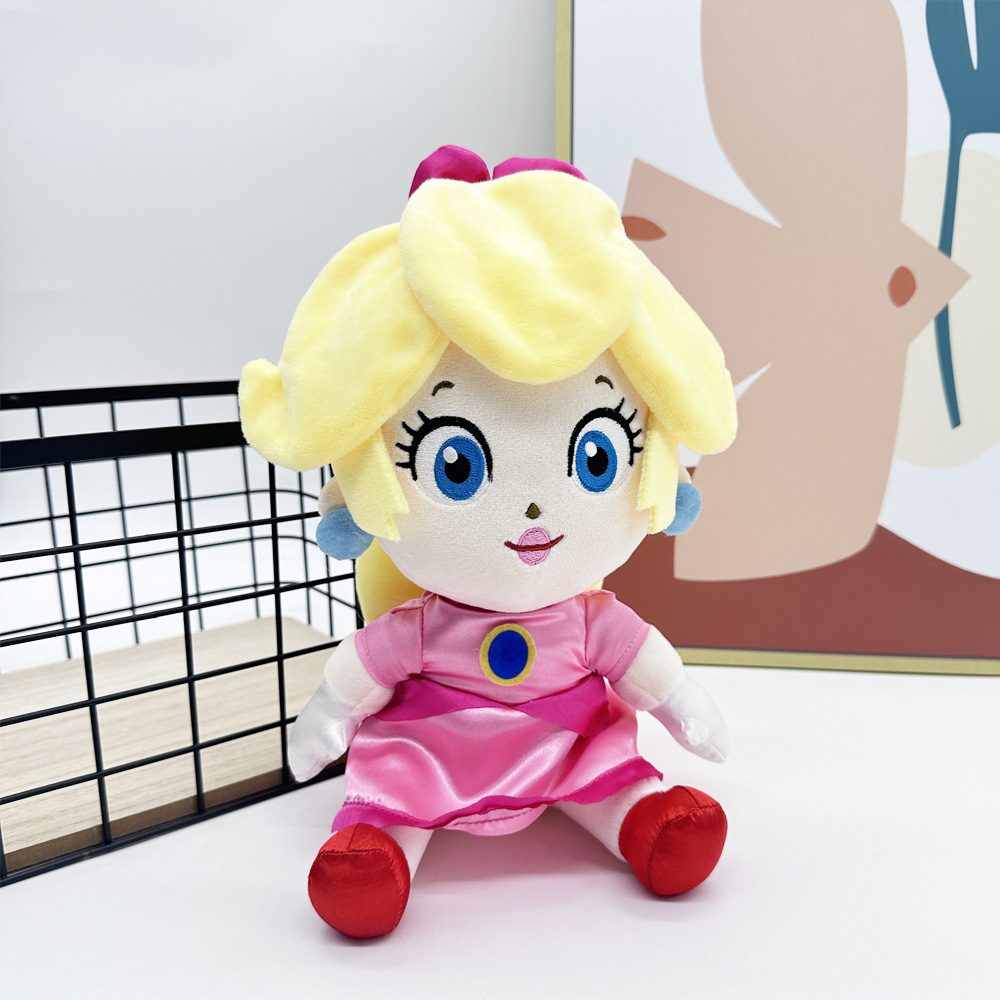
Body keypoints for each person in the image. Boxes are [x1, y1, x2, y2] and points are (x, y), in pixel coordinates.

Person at [240, 146, 738, 938]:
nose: (535, 511)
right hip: (432, 757)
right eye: (457, 465)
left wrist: (683, 703)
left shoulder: (590, 622)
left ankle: (645, 822)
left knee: (611, 775)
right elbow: (360, 672)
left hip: (569, 746)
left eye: (598, 456)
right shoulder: (421, 628)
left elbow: (644, 664)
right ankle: (379, 852)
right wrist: (326, 720)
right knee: (395, 801)